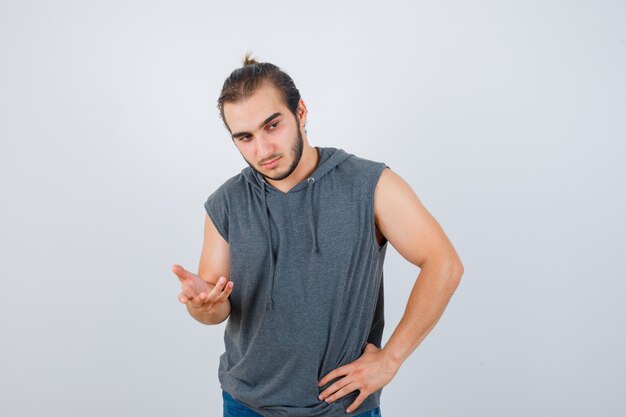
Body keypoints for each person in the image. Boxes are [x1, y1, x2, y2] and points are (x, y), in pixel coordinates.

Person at [172, 54, 464, 417]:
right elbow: (215, 310)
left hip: (343, 406)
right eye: (245, 137)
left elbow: (443, 263)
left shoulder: (370, 185)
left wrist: (391, 359)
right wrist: (205, 308)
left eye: (272, 126)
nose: (262, 150)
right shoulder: (226, 202)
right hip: (245, 404)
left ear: (301, 112)